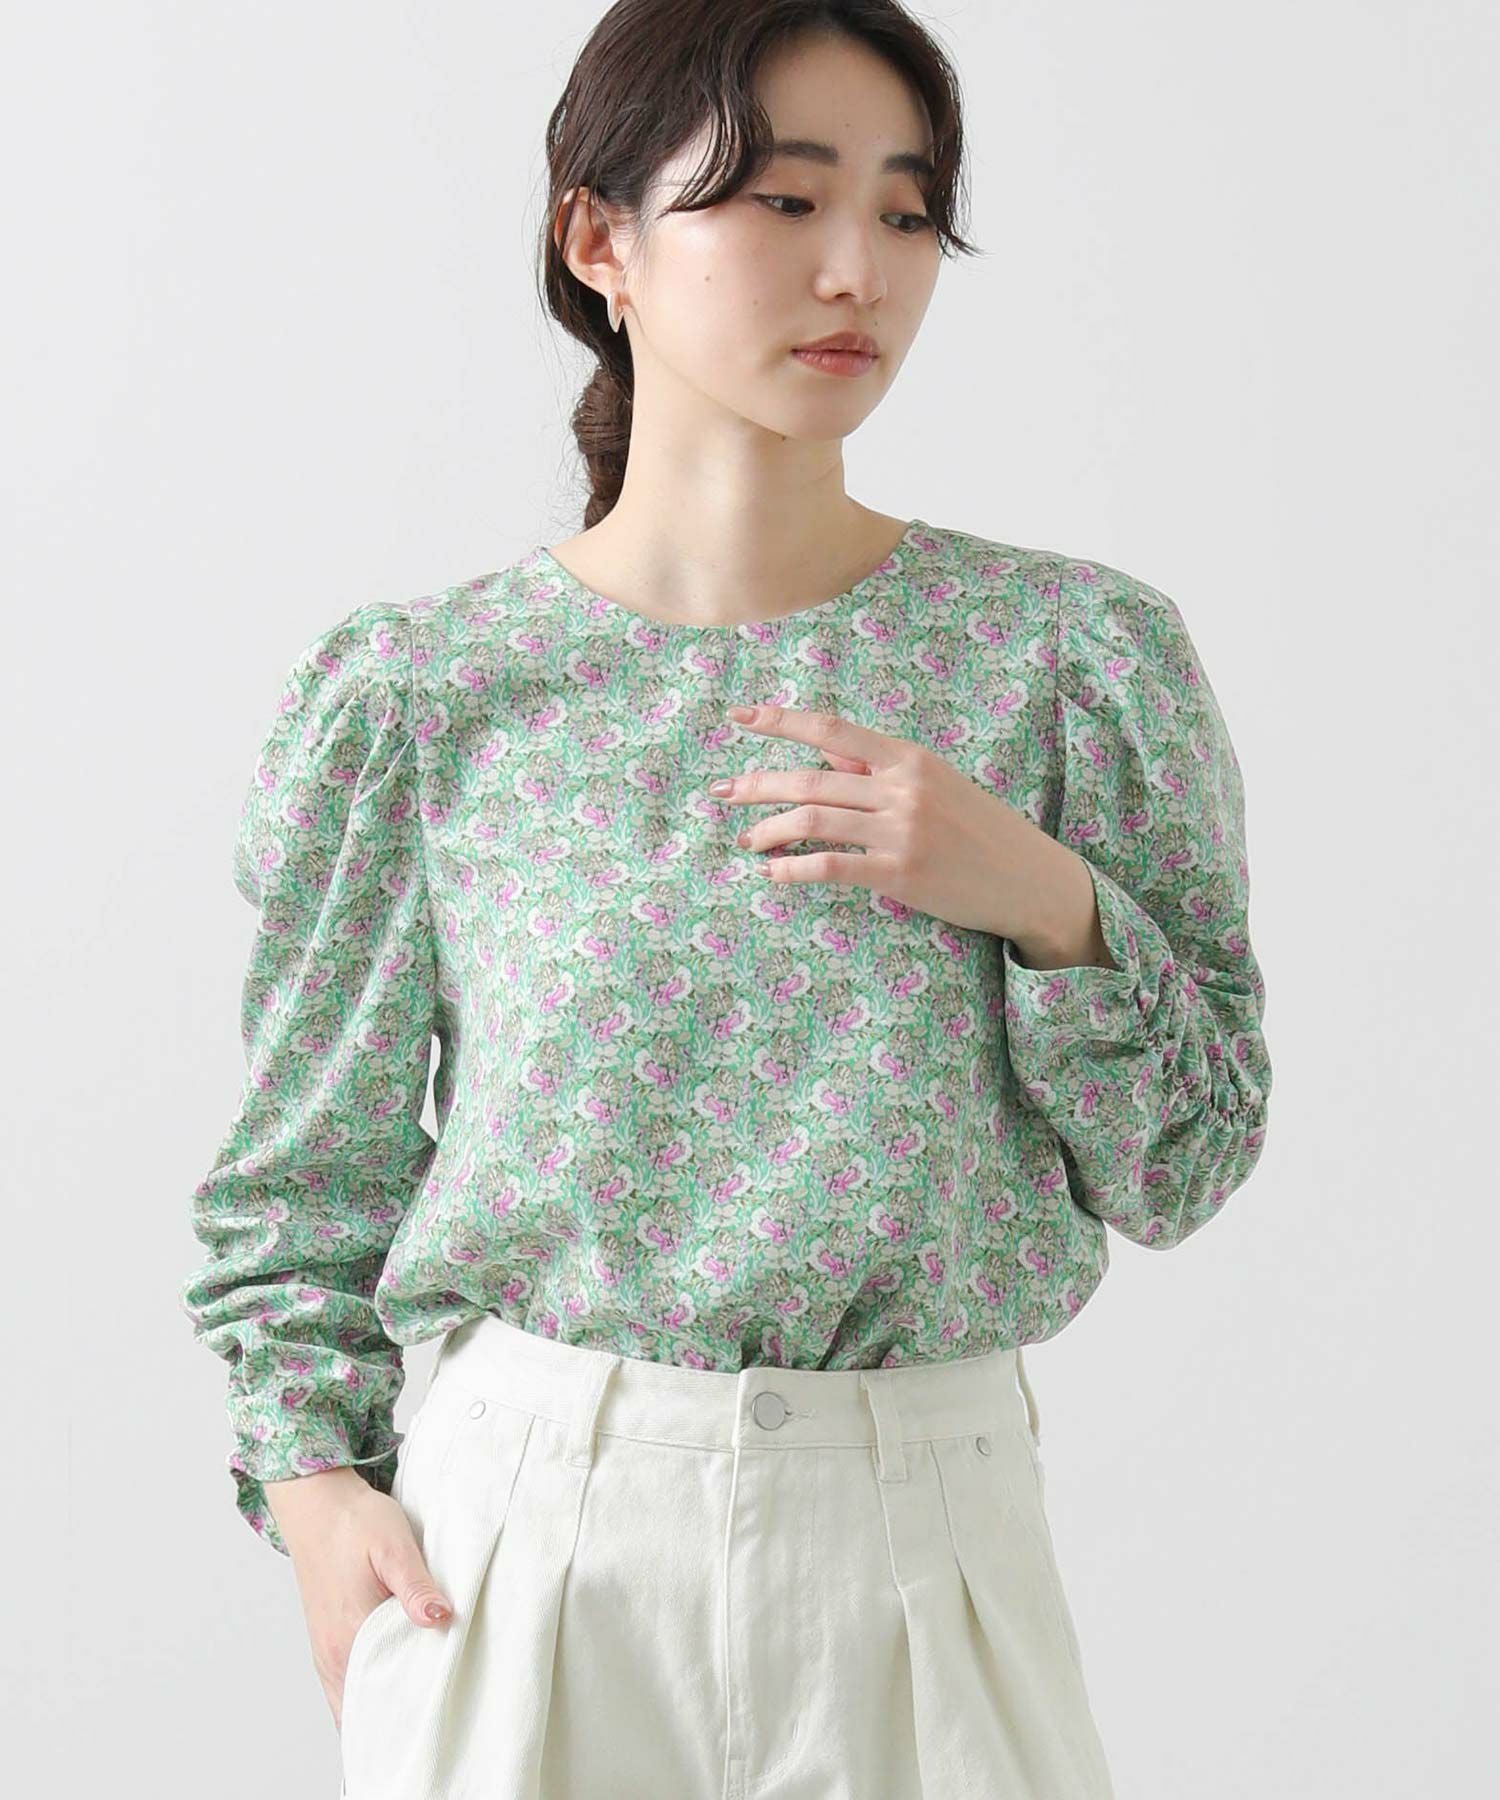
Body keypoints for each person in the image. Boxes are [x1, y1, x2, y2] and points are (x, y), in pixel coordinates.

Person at [179, 3, 1273, 1795]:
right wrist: (311, 1482)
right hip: (524, 1546)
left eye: (907, 213)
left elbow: (1188, 1164)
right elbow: (310, 1169)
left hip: (928, 1541)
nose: (859, 271)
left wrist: (1038, 893)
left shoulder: (1071, 658)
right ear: (597, 237)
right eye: (784, 200)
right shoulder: (427, 694)